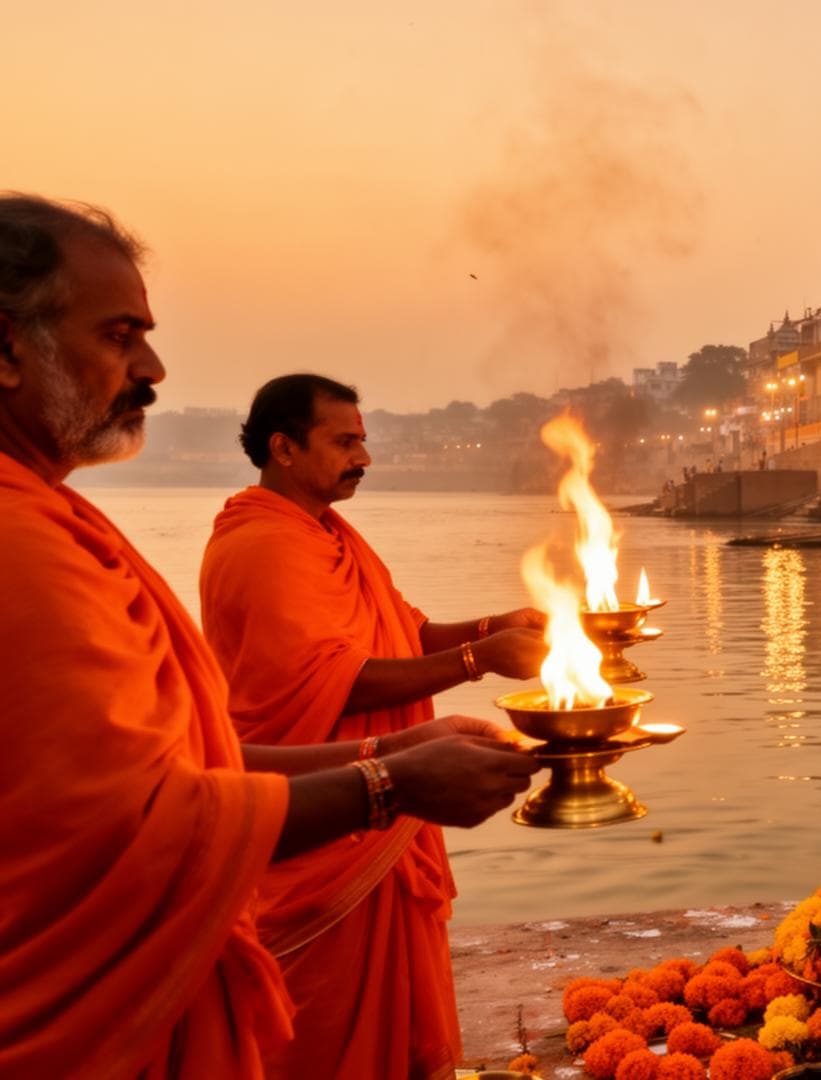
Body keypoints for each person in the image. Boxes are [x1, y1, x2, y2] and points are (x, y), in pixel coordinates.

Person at [0, 194, 537, 1077]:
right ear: (7, 346)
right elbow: (138, 823)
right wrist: (389, 782)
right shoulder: (32, 545)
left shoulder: (57, 518)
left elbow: (193, 761)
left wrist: (444, 695)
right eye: (120, 335)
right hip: (91, 1012)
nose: (154, 367)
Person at [198, 375, 549, 1080]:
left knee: (401, 1032)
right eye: (345, 441)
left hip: (377, 817)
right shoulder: (265, 544)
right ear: (284, 448)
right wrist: (478, 661)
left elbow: (405, 633)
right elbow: (341, 680)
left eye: (363, 440)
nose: (364, 457)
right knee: (322, 1038)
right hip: (320, 813)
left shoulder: (326, 534)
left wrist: (495, 626)